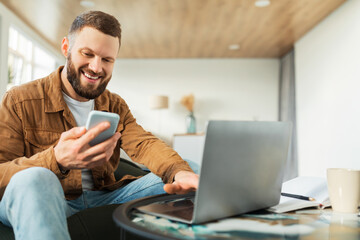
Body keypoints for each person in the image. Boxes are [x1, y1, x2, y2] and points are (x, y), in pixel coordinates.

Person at [0, 11, 199, 239]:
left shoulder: (113, 104)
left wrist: (178, 172)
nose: (96, 67)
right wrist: (56, 160)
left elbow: (144, 143)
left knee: (189, 171)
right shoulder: (18, 100)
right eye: (88, 54)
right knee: (37, 178)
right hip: (50, 197)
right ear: (66, 48)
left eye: (107, 60)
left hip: (102, 196)